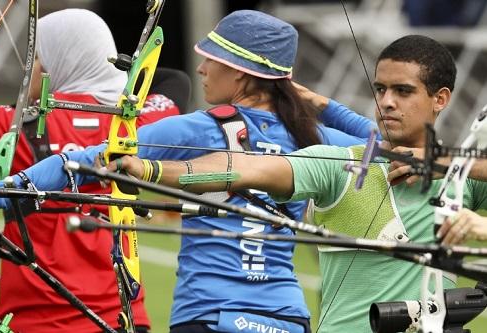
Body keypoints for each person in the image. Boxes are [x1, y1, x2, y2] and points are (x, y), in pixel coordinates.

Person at [0, 10, 379, 333]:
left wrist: (9, 188)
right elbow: (387, 149)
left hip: (209, 316)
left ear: (239, 73)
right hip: (287, 318)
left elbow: (86, 161)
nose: (203, 68)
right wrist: (322, 104)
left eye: (213, 59)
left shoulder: (198, 128)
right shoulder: (314, 136)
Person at [102, 35, 487, 332]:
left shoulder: (462, 177)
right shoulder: (342, 163)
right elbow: (244, 168)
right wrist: (150, 170)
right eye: (380, 89)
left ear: (440, 99)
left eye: (402, 91)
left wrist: (447, 167)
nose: (386, 102)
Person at [0, 9, 180, 333]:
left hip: (34, 322)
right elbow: (177, 80)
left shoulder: (8, 127)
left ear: (53, 65)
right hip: (122, 319)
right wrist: (122, 80)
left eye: (34, 58)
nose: (27, 69)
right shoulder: (141, 121)